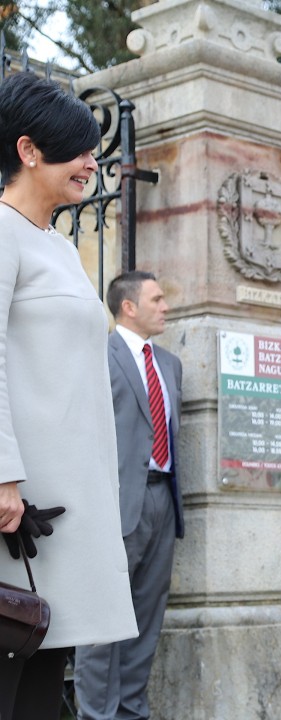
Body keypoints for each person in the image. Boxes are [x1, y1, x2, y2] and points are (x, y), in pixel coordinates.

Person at [0, 71, 138, 720]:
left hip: (67, 504)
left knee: (43, 673)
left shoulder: (56, 244)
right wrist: (3, 477)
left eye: (93, 151)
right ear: (28, 150)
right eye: (77, 151)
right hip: (20, 509)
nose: (91, 164)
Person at [74, 271, 184, 720]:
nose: (165, 307)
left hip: (162, 501)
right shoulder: (99, 355)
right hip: (114, 504)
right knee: (102, 621)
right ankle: (96, 714)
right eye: (156, 299)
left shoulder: (170, 364)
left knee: (146, 618)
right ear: (128, 307)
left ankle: (131, 712)